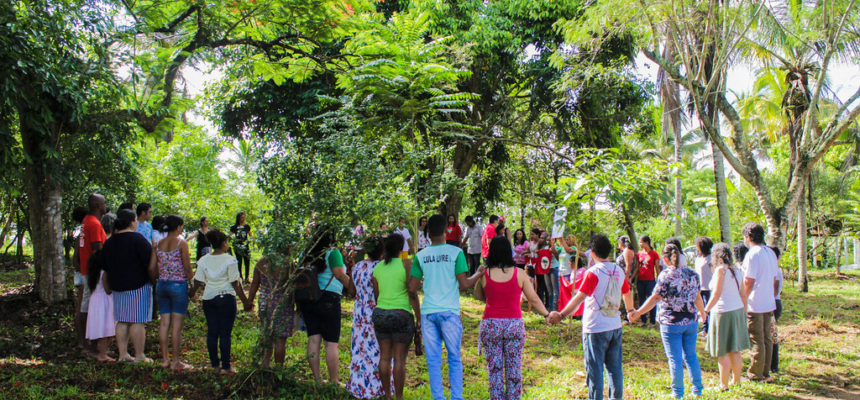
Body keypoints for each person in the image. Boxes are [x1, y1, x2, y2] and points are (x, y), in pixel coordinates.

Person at [407, 214, 484, 400]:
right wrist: (479, 273)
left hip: (428, 313)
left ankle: (438, 398)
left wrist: (417, 313)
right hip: (449, 312)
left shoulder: (420, 256)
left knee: (433, 360)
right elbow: (464, 284)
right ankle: (457, 397)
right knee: (454, 358)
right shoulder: (456, 253)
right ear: (444, 231)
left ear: (427, 233)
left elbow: (411, 288)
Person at [552, 234, 635, 400]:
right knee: (615, 369)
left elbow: (579, 298)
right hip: (614, 326)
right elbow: (627, 292)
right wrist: (631, 309)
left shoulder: (593, 273)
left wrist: (561, 314)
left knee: (595, 370)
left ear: (593, 253)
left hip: (595, 328)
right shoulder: (617, 270)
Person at [474, 236, 552, 400]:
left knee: (494, 371)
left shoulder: (485, 273)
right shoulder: (520, 273)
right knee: (514, 370)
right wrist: (546, 314)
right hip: (514, 326)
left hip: (491, 324)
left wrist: (479, 275)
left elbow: (479, 297)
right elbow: (534, 299)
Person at [629, 244, 706, 399]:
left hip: (671, 323)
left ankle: (678, 393)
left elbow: (655, 298)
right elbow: (698, 297)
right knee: (691, 356)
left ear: (664, 259)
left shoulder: (665, 276)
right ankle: (697, 390)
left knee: (675, 359)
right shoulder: (692, 274)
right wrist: (703, 315)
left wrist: (638, 312)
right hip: (691, 321)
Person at [190, 229, 251, 373]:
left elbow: (197, 281)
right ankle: (226, 366)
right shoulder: (230, 260)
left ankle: (214, 363)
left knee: (212, 332)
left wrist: (191, 294)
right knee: (225, 333)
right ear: (224, 243)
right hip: (226, 298)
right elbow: (235, 283)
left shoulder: (203, 260)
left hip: (209, 298)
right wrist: (246, 302)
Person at [298, 228, 352, 384]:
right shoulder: (333, 253)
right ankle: (334, 380)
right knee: (331, 343)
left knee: (313, 339)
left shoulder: (305, 252)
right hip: (329, 298)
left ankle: (317, 379)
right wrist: (354, 289)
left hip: (308, 298)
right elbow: (340, 274)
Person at [371, 234, 422, 400]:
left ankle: (387, 396)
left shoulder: (378, 268)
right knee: (399, 359)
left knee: (384, 357)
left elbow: (377, 295)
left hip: (380, 314)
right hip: (401, 314)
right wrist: (418, 317)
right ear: (402, 248)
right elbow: (412, 292)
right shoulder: (406, 263)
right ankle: (398, 397)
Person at [102, 209, 152, 363]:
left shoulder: (110, 241)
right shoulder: (138, 239)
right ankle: (139, 355)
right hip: (137, 285)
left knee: (122, 320)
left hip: (117, 285)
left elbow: (105, 266)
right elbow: (149, 262)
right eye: (136, 220)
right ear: (132, 221)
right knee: (137, 320)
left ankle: (123, 354)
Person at [149, 215, 194, 370]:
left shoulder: (158, 244)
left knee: (164, 322)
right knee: (176, 326)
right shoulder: (182, 243)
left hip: (162, 285)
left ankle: (164, 359)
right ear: (179, 227)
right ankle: (176, 361)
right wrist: (193, 283)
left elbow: (152, 268)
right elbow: (187, 267)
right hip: (178, 285)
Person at [703, 243, 749, 391]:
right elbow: (743, 294)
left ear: (716, 256)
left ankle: (723, 385)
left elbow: (716, 294)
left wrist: (705, 310)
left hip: (722, 312)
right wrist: (745, 312)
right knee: (734, 349)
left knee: (722, 351)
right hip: (737, 310)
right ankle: (736, 381)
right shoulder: (737, 270)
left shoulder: (720, 271)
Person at [346, 235, 387, 398]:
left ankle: (358, 384)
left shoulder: (358, 267)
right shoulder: (381, 267)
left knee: (359, 349)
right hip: (375, 313)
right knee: (377, 349)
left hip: (359, 314)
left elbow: (351, 291)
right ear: (382, 250)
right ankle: (377, 387)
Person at [740, 223, 778, 382]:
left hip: (755, 303)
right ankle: (765, 372)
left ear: (748, 237)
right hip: (768, 302)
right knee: (767, 338)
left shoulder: (752, 254)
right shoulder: (770, 253)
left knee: (757, 339)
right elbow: (774, 279)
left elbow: (748, 281)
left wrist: (743, 301)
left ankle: (756, 374)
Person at [246, 251, 295, 368]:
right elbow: (293, 286)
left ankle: (265, 364)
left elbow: (255, 283)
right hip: (282, 302)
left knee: (266, 334)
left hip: (265, 301)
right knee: (280, 339)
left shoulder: (262, 262)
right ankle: (278, 369)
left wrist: (249, 301)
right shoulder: (288, 264)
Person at [76, 194, 108, 355]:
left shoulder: (86, 221)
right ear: (97, 205)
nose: (106, 205)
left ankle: (87, 341)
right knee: (89, 306)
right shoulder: (94, 224)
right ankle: (89, 343)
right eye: (104, 203)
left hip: (86, 269)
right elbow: (97, 249)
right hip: (93, 271)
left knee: (86, 304)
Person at [85, 249, 115, 362]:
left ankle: (101, 351)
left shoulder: (93, 273)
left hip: (95, 301)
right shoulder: (104, 272)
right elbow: (107, 290)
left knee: (100, 327)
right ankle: (102, 354)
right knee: (105, 328)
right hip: (104, 301)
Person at [635, 235, 660, 326]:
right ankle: (643, 320)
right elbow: (637, 268)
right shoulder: (639, 254)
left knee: (651, 299)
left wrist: (660, 279)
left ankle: (652, 321)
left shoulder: (654, 254)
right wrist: (632, 278)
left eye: (641, 242)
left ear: (647, 243)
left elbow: (657, 268)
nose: (640, 244)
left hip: (650, 280)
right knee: (641, 300)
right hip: (640, 280)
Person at [694, 236, 714, 334]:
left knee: (708, 309)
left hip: (708, 288)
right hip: (699, 287)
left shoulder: (710, 259)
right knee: (701, 308)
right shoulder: (698, 258)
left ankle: (708, 329)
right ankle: (704, 329)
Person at [769, 246, 783, 374]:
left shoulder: (776, 271)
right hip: (772, 303)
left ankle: (773, 366)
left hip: (774, 304)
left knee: (772, 337)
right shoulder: (773, 270)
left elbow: (774, 290)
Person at [230, 212, 252, 282]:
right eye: (241, 217)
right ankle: (240, 277)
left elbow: (250, 235)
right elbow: (229, 236)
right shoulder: (234, 227)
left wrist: (253, 241)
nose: (243, 219)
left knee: (247, 262)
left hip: (246, 246)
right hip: (238, 247)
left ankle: (247, 277)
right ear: (238, 218)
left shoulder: (247, 227)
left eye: (244, 217)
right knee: (239, 262)